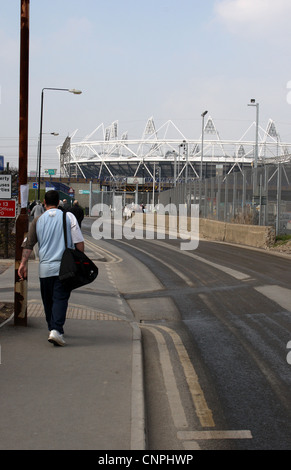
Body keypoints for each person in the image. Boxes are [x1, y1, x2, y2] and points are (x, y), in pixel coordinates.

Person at [18, 190, 84, 347]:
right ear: (59, 202)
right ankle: (56, 330)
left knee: (48, 301)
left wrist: (23, 263)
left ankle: (53, 328)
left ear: (44, 203)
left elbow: (29, 245)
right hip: (64, 268)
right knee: (60, 298)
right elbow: (79, 243)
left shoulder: (38, 221)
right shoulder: (68, 217)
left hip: (45, 268)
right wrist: (80, 261)